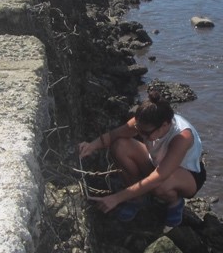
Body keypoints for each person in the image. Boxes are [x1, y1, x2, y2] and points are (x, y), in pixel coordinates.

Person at [78, 89, 205, 227]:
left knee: (160, 186)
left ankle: (174, 202)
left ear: (165, 125)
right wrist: (91, 146)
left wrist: (116, 198)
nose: (142, 136)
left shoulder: (182, 137)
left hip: (187, 175)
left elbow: (158, 177)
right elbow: (113, 135)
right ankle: (137, 199)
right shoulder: (144, 121)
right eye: (139, 130)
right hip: (157, 162)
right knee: (119, 145)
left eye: (146, 133)